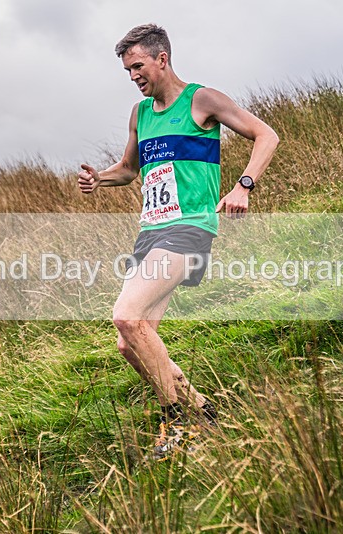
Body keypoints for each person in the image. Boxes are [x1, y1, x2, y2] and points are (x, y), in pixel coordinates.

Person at [78, 23, 278, 459]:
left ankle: (176, 425)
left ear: (162, 59)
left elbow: (267, 135)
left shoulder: (201, 100)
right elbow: (130, 170)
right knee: (130, 341)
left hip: (190, 228)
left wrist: (243, 185)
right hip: (151, 231)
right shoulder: (140, 114)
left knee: (127, 316)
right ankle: (203, 413)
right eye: (128, 70)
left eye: (138, 66)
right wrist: (100, 179)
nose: (133, 76)